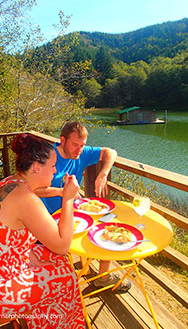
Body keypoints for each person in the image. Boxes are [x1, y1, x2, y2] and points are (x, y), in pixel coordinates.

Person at [0, 133, 85, 329]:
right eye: (53, 166)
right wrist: (68, 198)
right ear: (37, 167)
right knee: (66, 279)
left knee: (56, 260)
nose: (56, 171)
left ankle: (44, 322)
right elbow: (62, 245)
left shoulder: (11, 183)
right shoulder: (26, 199)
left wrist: (36, 264)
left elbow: (18, 241)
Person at [36, 121, 131, 291]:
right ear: (62, 140)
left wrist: (102, 174)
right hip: (47, 218)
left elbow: (111, 152)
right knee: (80, 240)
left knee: (105, 224)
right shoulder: (46, 157)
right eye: (75, 145)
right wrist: (62, 192)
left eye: (82, 145)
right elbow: (34, 190)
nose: (79, 150)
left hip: (73, 211)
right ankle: (68, 279)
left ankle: (103, 276)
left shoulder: (81, 153)